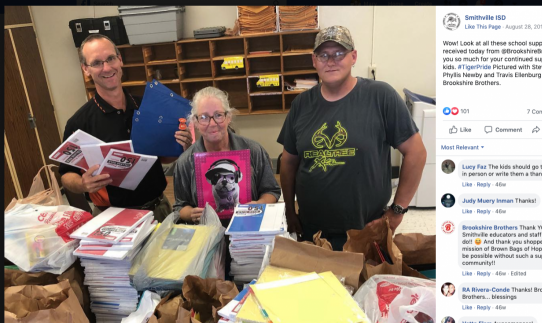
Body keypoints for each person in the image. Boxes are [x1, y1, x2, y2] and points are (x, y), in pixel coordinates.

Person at [278, 26, 427, 251]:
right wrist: (290, 212)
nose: (331, 61)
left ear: (353, 57)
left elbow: (416, 152)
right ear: (314, 61)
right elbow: (288, 163)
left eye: (339, 53)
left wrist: (396, 212)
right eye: (323, 55)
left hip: (366, 231)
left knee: (364, 286)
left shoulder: (380, 96)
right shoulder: (301, 105)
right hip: (312, 231)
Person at [59, 34, 192, 222]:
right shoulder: (79, 123)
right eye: (96, 63)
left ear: (120, 60)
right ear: (86, 69)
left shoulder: (146, 108)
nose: (106, 68)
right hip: (110, 218)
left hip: (158, 210)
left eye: (110, 58)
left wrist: (181, 146)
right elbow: (66, 174)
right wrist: (82, 183)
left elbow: (162, 157)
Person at [173, 87, 281, 225]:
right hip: (207, 236)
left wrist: (259, 204)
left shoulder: (253, 150)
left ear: (228, 117)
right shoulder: (185, 161)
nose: (212, 124)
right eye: (204, 117)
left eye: (218, 115)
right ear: (195, 122)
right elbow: (179, 206)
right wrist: (190, 214)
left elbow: (271, 191)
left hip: (248, 229)